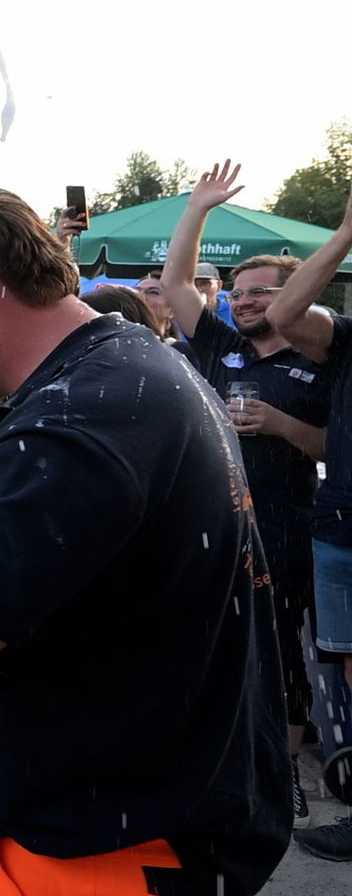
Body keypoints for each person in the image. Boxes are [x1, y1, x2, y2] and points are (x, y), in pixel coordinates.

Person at [0, 184, 289, 892]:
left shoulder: (79, 416)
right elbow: (40, 547)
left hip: (108, 853)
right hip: (125, 821)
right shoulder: (120, 369)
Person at [163, 160, 328, 830]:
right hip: (219, 526)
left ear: (295, 298)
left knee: (282, 651)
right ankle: (225, 764)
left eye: (262, 292)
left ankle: (283, 776)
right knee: (219, 645)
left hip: (290, 528)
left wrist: (284, 425)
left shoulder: (323, 360)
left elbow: (331, 451)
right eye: (239, 290)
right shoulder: (223, 347)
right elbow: (175, 283)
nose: (246, 300)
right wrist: (197, 209)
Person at [262, 179, 352, 861]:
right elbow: (289, 313)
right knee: (348, 671)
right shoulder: (345, 339)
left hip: (315, 527)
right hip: (339, 530)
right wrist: (345, 233)